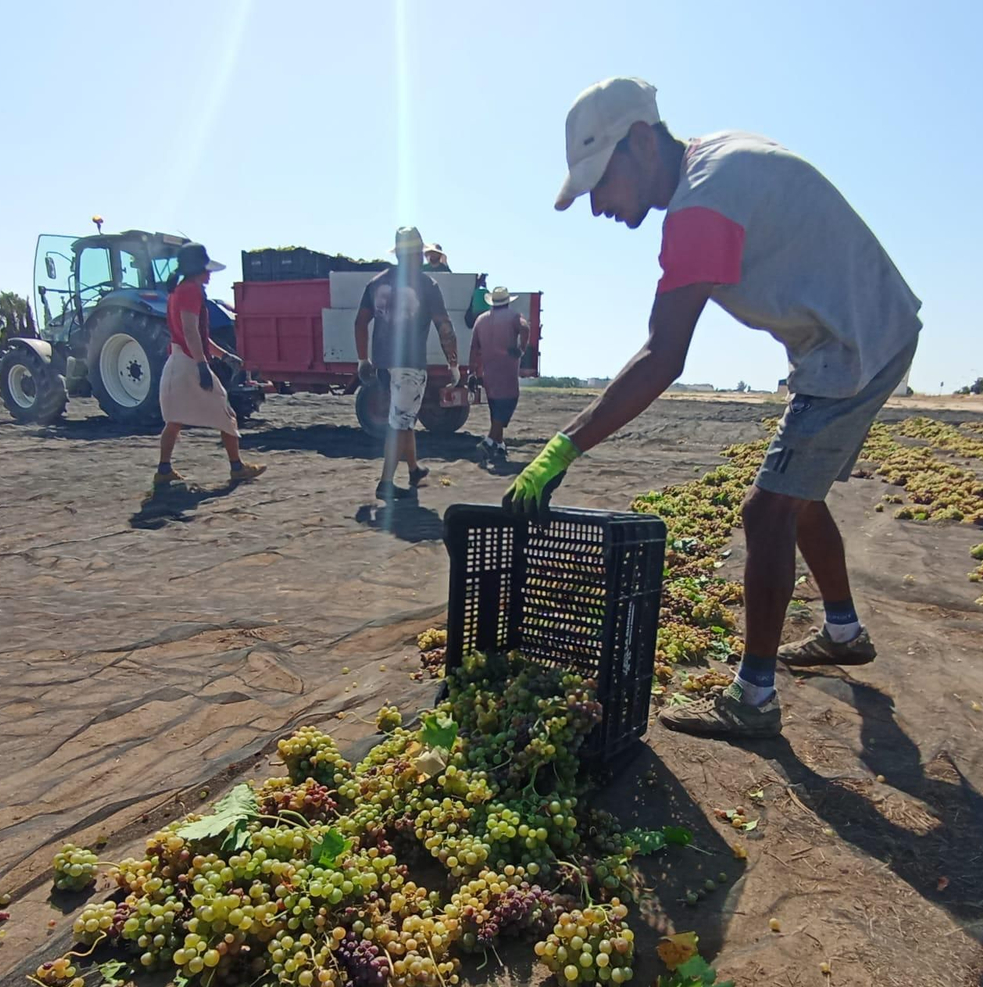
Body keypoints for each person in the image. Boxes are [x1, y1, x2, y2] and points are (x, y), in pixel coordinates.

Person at [504, 77, 921, 739]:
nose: (597, 206)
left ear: (641, 143)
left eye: (599, 183)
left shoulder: (701, 204)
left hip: (851, 345)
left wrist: (565, 447)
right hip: (857, 331)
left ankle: (752, 700)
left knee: (768, 510)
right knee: (799, 495)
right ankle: (842, 629)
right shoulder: (716, 161)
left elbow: (664, 357)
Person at [355, 226, 461, 502]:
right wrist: (454, 366)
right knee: (400, 423)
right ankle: (385, 483)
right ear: (418, 255)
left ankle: (413, 470)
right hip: (410, 364)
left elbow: (360, 322)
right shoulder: (427, 286)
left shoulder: (376, 282)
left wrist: (362, 359)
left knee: (403, 417)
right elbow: (444, 328)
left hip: (382, 364)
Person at [155, 243, 267, 490]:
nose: (209, 275)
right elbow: (190, 331)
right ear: (198, 269)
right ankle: (237, 467)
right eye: (206, 270)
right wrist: (203, 366)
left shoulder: (178, 291)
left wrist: (225, 355)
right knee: (226, 414)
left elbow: (198, 336)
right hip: (188, 362)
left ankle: (163, 470)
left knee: (174, 420)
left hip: (177, 361)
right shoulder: (190, 291)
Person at [468, 285, 530, 468]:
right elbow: (525, 328)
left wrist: (472, 371)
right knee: (507, 405)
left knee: (496, 408)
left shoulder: (481, 320)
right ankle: (488, 442)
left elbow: (474, 348)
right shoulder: (514, 316)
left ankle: (500, 445)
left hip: (489, 371)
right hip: (507, 370)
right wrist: (521, 349)